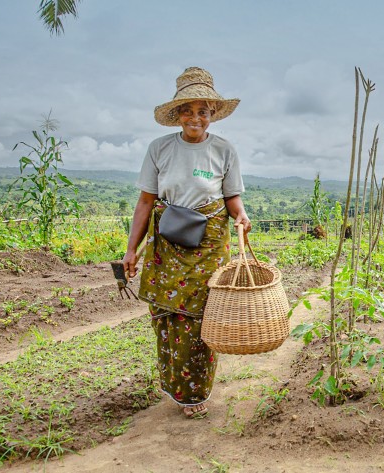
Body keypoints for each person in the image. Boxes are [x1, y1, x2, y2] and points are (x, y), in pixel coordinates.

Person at [122, 67, 252, 419]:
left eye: (203, 111)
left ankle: (196, 392)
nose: (196, 118)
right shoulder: (159, 149)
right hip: (168, 244)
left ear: (212, 115)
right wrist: (131, 249)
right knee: (167, 317)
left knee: (201, 318)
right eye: (188, 110)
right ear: (177, 115)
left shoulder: (224, 150)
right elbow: (146, 202)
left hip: (209, 244)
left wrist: (240, 215)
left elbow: (231, 198)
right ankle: (173, 382)